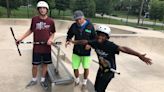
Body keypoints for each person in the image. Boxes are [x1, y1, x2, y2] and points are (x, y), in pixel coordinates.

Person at [71, 25, 152, 92]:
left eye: (103, 36)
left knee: (99, 90)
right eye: (98, 35)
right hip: (101, 69)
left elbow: (123, 49)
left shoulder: (110, 45)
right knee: (96, 88)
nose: (100, 37)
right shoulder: (95, 42)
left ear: (107, 37)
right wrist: (74, 42)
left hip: (109, 71)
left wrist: (139, 55)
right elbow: (85, 41)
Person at [16, 1, 56, 89]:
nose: (42, 10)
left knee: (45, 64)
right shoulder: (34, 19)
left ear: (47, 10)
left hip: (46, 47)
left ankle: (42, 80)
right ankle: (34, 80)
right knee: (35, 65)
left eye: (44, 8)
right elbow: (30, 30)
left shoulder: (51, 21)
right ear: (38, 10)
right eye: (40, 8)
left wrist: (50, 39)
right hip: (37, 47)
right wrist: (21, 38)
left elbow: (53, 33)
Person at [65, 10, 96, 87]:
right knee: (75, 67)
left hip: (86, 52)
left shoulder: (90, 26)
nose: (78, 21)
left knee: (86, 67)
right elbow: (69, 35)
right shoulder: (74, 26)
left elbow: (95, 38)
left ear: (83, 17)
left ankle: (85, 81)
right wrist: (68, 40)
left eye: (80, 19)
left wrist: (90, 45)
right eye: (76, 20)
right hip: (76, 51)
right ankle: (77, 80)